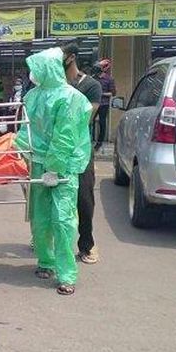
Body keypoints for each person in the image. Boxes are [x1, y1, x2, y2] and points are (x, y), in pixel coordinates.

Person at [14, 47, 92, 296]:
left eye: (35, 69)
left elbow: (65, 137)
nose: (32, 74)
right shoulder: (32, 96)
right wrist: (16, 148)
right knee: (40, 217)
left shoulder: (71, 98)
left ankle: (66, 273)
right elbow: (26, 130)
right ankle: (45, 261)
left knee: (63, 219)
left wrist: (54, 168)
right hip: (37, 162)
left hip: (64, 167)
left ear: (47, 69)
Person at [62, 43, 102, 265]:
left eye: (63, 56)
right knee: (50, 196)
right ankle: (47, 241)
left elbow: (86, 118)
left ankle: (86, 243)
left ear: (72, 57)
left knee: (84, 198)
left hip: (80, 149)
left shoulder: (91, 85)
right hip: (55, 150)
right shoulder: (53, 85)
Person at [94, 58, 116, 151]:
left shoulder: (109, 79)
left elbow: (113, 93)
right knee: (90, 121)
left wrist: (102, 93)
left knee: (102, 123)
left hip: (104, 104)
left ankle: (99, 143)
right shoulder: (93, 78)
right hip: (94, 102)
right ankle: (90, 140)